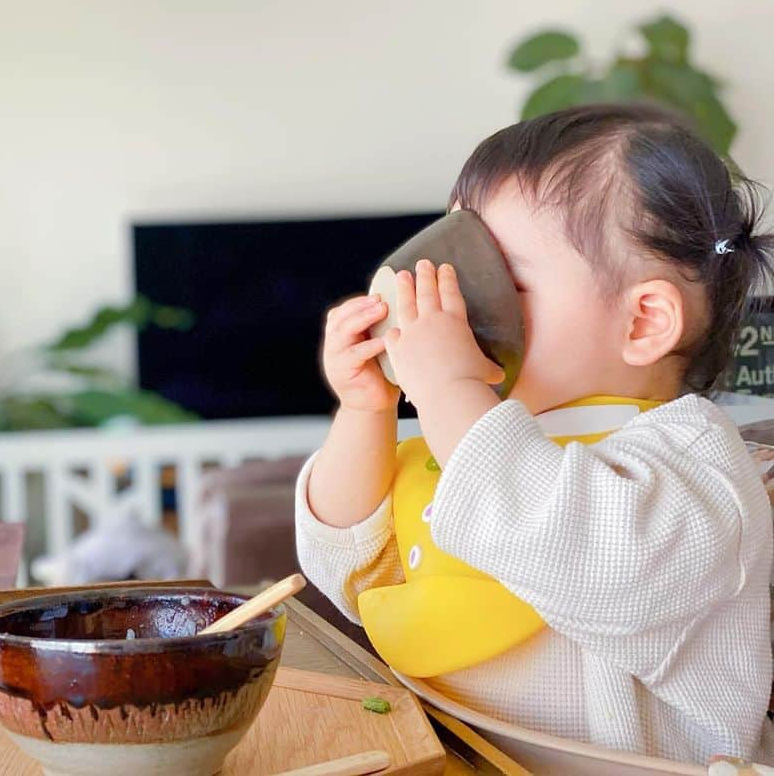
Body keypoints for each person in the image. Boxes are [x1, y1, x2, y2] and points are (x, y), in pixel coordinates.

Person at [295, 103, 774, 764]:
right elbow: (345, 568)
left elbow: (574, 550)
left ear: (642, 324)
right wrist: (365, 411)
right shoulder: (475, 446)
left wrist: (447, 390)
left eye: (505, 281)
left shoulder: (694, 467)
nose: (457, 303)